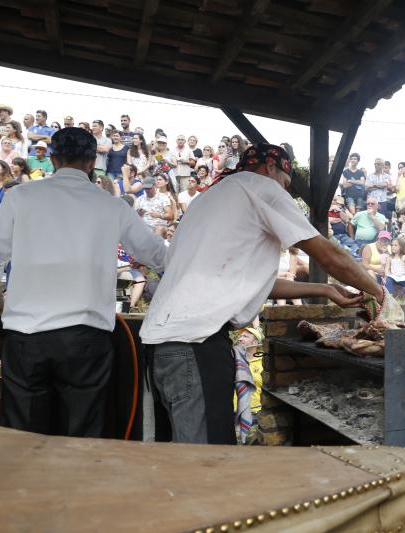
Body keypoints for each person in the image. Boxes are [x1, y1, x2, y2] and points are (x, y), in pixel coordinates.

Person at [139, 143, 388, 444]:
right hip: (194, 343)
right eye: (285, 184)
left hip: (162, 345)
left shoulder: (209, 199)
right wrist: (378, 292)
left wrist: (323, 289)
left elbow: (247, 281)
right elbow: (327, 252)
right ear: (270, 168)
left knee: (183, 453)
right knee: (204, 461)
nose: (285, 192)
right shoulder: (259, 187)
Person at [0, 127, 167, 438]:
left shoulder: (21, 196)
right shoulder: (111, 205)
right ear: (92, 163)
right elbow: (159, 256)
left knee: (22, 440)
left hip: (26, 338)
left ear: (53, 159)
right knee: (81, 440)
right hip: (86, 340)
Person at [384, 237, 405, 303]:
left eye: (395, 245)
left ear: (401, 247)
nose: (393, 247)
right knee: (389, 280)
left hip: (403, 277)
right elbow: (387, 268)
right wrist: (386, 274)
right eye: (392, 245)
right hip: (394, 277)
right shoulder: (390, 257)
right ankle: (390, 298)